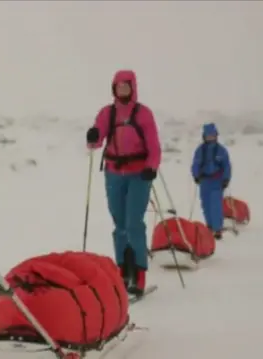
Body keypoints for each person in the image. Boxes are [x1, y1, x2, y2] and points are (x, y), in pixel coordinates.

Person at [85, 70, 161, 297]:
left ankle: (138, 273)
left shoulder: (143, 114)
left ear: (133, 87)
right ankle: (122, 270)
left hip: (139, 175)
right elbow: (97, 140)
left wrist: (151, 167)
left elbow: (154, 146)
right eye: (119, 87)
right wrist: (93, 136)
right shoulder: (107, 114)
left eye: (126, 86)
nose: (123, 90)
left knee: (133, 223)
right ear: (114, 89)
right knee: (119, 224)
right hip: (114, 174)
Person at [191, 123, 231, 240]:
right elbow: (196, 164)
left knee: (216, 205)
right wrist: (196, 175)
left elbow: (227, 166)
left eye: (213, 136)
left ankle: (217, 229)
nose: (211, 138)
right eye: (208, 136)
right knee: (205, 205)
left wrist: (226, 179)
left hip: (217, 181)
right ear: (204, 136)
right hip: (204, 182)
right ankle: (209, 226)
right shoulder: (200, 150)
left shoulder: (221, 150)